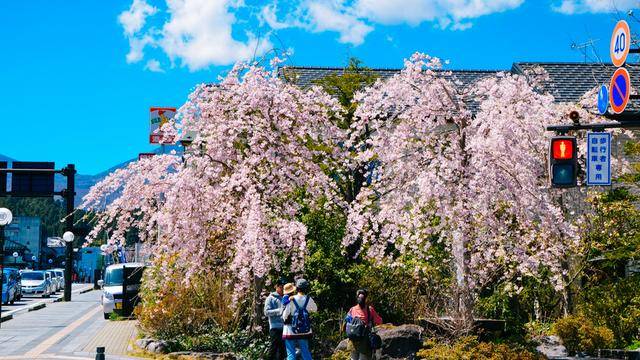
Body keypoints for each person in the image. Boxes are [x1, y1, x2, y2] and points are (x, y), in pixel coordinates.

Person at [282, 279, 317, 360]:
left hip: (290, 329)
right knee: (305, 352)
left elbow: (285, 315)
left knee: (291, 353)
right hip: (304, 329)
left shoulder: (291, 299)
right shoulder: (308, 299)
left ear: (297, 288)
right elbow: (315, 309)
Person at [345, 289, 383, 360]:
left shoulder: (352, 309)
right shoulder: (369, 310)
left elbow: (347, 321)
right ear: (365, 298)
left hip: (353, 341)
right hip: (364, 342)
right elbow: (380, 321)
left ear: (357, 298)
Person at [264, 278, 288, 360]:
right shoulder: (270, 298)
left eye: (284, 287)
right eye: (281, 287)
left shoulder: (286, 297)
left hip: (285, 327)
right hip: (274, 327)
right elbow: (266, 312)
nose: (282, 289)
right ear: (276, 287)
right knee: (273, 348)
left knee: (283, 350)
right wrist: (278, 311)